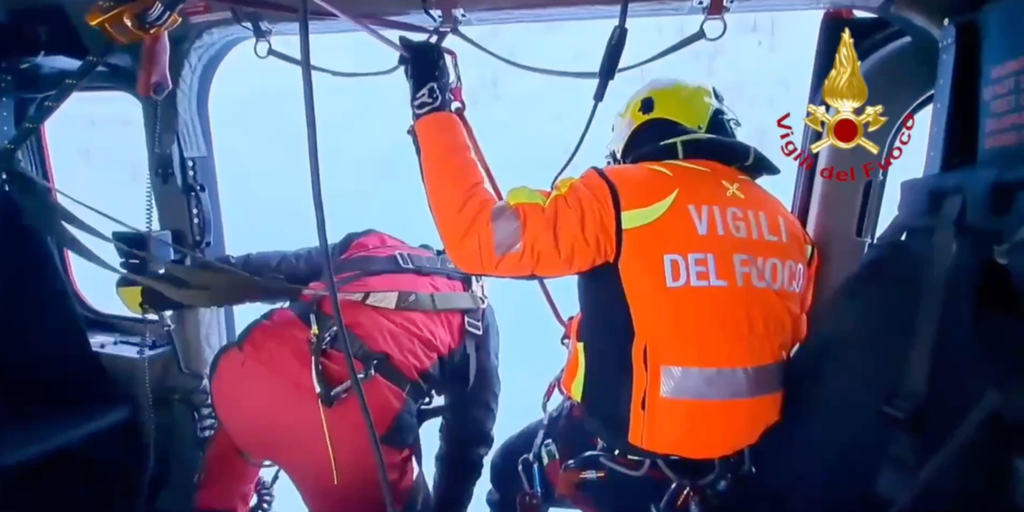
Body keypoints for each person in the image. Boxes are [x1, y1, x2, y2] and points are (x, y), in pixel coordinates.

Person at [397, 37, 818, 510]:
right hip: (740, 463)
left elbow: (480, 237)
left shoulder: (623, 195)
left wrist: (432, 106)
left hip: (630, 454)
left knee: (509, 471)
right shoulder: (786, 225)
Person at [123, 230, 499, 512]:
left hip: (247, 377)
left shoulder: (373, 243)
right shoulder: (477, 315)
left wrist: (161, 289)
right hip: (352, 444)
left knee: (234, 450)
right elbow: (468, 441)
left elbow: (261, 273)